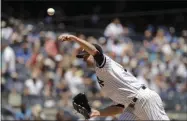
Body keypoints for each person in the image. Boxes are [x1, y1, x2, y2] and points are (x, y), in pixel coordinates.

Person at [58, 34, 170, 120]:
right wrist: (97, 112)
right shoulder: (101, 74)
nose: (83, 59)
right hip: (130, 108)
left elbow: (95, 51)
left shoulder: (105, 65)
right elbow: (119, 107)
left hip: (144, 99)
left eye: (86, 56)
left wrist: (74, 39)